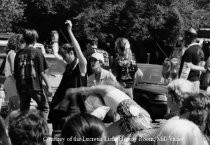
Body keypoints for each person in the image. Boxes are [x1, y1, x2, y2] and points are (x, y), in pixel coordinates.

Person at [65, 84, 152, 136]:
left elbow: (86, 90)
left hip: (134, 118)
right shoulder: (112, 96)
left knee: (103, 134)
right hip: (136, 116)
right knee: (105, 133)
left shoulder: (104, 89)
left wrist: (73, 90)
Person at [49, 20, 87, 130]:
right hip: (60, 107)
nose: (64, 59)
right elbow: (56, 54)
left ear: (71, 53)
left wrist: (69, 31)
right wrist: (55, 41)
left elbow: (78, 49)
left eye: (65, 56)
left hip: (74, 109)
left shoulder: (82, 66)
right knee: (57, 135)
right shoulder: (68, 66)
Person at [14, 29, 52, 120]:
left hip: (22, 87)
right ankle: (41, 129)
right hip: (35, 86)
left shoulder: (18, 54)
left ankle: (23, 130)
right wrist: (49, 86)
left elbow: (16, 75)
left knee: (24, 112)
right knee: (44, 108)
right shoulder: (37, 52)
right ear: (35, 40)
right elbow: (42, 72)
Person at [86, 52, 118, 122]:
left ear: (100, 62)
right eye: (91, 60)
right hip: (93, 105)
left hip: (105, 106)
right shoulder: (90, 78)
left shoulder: (109, 75)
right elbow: (89, 95)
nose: (92, 62)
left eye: (94, 60)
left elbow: (115, 93)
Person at [179, 28, 206, 93]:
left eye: (185, 36)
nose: (184, 38)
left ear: (188, 37)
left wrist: (180, 84)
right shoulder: (201, 50)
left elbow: (185, 70)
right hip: (196, 83)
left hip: (188, 83)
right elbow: (202, 68)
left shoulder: (189, 51)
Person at [4, 34, 25, 112]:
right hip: (12, 83)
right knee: (19, 109)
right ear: (17, 43)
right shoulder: (12, 53)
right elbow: (14, 70)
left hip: (10, 83)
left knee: (12, 111)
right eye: (21, 42)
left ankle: (6, 124)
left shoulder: (11, 53)